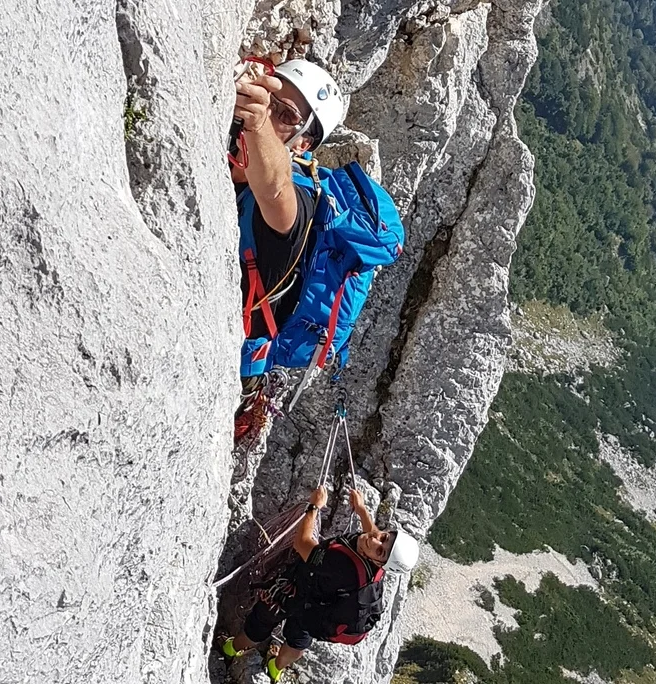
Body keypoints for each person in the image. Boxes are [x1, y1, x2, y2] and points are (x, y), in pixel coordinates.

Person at [219, 485, 420, 682]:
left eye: (380, 551)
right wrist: (362, 511)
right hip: (319, 611)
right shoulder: (376, 569)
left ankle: (230, 648)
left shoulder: (340, 565)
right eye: (384, 537)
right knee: (297, 643)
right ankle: (275, 668)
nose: (375, 541)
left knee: (260, 623)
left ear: (379, 562)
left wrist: (314, 507)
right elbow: (373, 534)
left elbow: (302, 543)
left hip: (294, 593)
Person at [232, 59, 346, 403]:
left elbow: (276, 188)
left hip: (230, 371)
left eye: (284, 115)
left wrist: (257, 122)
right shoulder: (231, 155)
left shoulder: (299, 203)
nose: (268, 111)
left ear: (303, 145)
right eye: (268, 97)